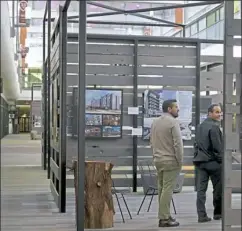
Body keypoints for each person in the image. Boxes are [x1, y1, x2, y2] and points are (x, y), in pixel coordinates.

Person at [150, 99, 183, 227]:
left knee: (162, 189)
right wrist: (180, 161)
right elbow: (178, 144)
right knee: (168, 189)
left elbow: (152, 142)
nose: (178, 109)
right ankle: (164, 218)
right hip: (170, 160)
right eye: (176, 107)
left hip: (158, 160)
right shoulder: (173, 122)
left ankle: (165, 214)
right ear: (169, 109)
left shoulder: (155, 122)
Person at [194, 104, 223, 223]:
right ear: (210, 113)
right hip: (214, 163)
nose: (219, 114)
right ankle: (218, 213)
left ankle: (201, 215)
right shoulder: (215, 127)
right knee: (218, 189)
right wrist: (221, 160)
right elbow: (217, 148)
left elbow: (196, 144)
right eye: (217, 112)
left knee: (201, 190)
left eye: (220, 112)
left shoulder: (199, 126)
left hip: (200, 162)